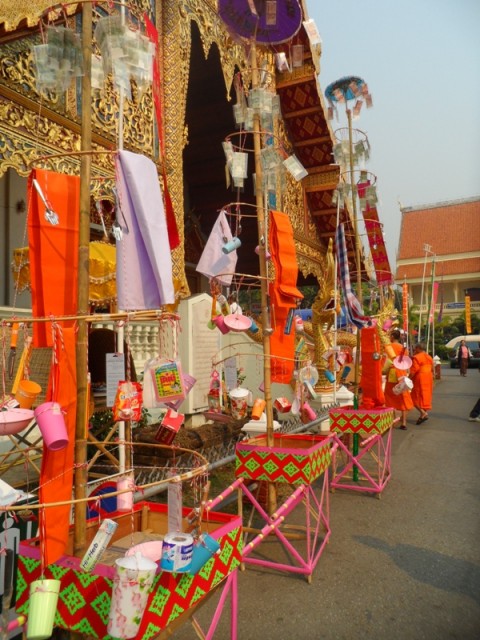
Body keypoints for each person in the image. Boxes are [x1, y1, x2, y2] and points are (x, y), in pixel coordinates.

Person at [383, 329, 413, 430]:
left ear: (392, 337)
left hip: (392, 372)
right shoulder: (402, 348)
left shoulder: (388, 347)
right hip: (402, 372)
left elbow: (385, 360)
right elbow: (407, 361)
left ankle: (392, 421)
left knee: (390, 396)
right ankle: (404, 422)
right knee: (403, 396)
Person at [410, 342, 434, 424]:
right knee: (425, 395)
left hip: (420, 377)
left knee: (414, 397)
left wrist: (409, 378)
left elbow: (413, 370)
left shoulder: (416, 357)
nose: (414, 350)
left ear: (418, 348)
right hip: (429, 377)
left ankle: (423, 413)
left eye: (415, 348)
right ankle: (422, 415)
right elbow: (432, 368)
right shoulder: (429, 357)